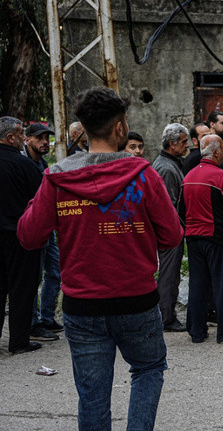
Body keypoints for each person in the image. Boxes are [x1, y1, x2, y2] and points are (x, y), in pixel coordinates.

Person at [17, 87, 183, 429]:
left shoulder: (57, 177)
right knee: (149, 369)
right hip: (136, 299)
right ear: (120, 128)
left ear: (85, 129)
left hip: (82, 304)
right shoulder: (143, 174)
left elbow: (29, 235)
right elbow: (172, 236)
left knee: (92, 394)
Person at [180, 134, 223, 344]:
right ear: (215, 152)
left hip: (193, 238)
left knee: (198, 284)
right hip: (217, 238)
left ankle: (196, 331)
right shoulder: (221, 177)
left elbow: (180, 210)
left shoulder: (189, 176)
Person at [1, 117, 44, 354]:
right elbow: (41, 200)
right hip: (18, 237)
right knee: (22, 289)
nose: (22, 138)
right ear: (10, 137)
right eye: (20, 134)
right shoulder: (24, 165)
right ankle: (18, 341)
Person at [24, 123, 63, 341]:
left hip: (49, 228)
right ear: (27, 139)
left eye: (46, 138)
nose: (44, 142)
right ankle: (32, 324)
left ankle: (46, 317)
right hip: (37, 227)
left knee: (55, 272)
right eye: (39, 138)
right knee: (35, 276)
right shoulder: (25, 164)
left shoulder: (41, 164)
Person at [151, 123, 189, 332]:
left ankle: (166, 314)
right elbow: (168, 206)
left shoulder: (171, 163)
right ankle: (166, 317)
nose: (187, 146)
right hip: (169, 232)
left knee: (171, 274)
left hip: (172, 230)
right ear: (172, 144)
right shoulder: (166, 167)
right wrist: (177, 230)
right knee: (168, 275)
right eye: (183, 142)